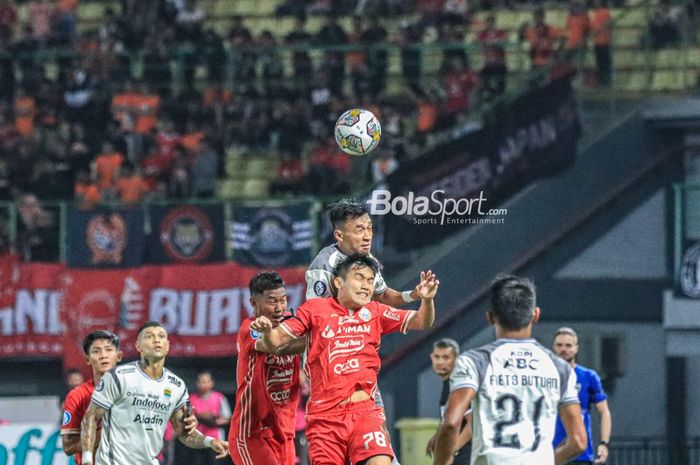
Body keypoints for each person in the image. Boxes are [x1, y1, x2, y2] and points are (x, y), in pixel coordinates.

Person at [253, 254, 439, 465]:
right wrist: (268, 332)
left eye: (370, 280)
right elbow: (275, 341)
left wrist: (427, 300)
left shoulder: (376, 311)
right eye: (359, 278)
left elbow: (422, 321)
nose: (366, 285)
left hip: (365, 412)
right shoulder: (314, 310)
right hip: (325, 418)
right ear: (338, 282)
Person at [433, 275, 587, 465]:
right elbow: (579, 442)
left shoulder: (474, 362)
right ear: (535, 315)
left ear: (490, 317)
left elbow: (450, 424)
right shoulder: (560, 367)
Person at [80, 322, 228, 465]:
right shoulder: (118, 377)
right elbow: (90, 417)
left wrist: (210, 442)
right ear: (138, 346)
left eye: (161, 336)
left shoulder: (176, 385)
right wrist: (87, 460)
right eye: (149, 336)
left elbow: (184, 433)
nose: (157, 340)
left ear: (167, 346)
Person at [60, 330, 198, 465]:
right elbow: (69, 447)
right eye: (96, 351)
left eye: (109, 350)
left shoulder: (141, 390)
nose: (103, 356)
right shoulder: (77, 396)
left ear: (119, 356)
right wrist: (111, 433)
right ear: (87, 359)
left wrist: (187, 424)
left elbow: (167, 422)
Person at [229, 271, 302, 465]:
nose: (279, 308)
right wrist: (320, 337)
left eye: (283, 300)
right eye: (271, 301)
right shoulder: (251, 329)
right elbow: (273, 346)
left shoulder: (291, 323)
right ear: (254, 303)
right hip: (252, 433)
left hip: (285, 433)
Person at [306, 200, 421, 309]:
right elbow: (315, 312)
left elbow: (383, 296)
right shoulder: (323, 265)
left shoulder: (367, 259)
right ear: (340, 236)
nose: (368, 237)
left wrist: (413, 295)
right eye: (360, 230)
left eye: (370, 228)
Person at [552, 327, 612, 465]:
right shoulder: (544, 376)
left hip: (580, 455)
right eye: (559, 345)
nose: (564, 349)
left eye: (568, 345)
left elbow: (604, 412)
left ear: (576, 348)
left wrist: (604, 443)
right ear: (553, 347)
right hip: (549, 453)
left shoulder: (588, 376)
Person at [426, 338, 471, 465]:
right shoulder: (448, 384)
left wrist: (451, 451)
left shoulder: (459, 385)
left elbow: (472, 424)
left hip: (466, 456)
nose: (440, 362)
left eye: (446, 357)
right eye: (437, 357)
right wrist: (438, 437)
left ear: (456, 359)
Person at [188, 371, 232, 465]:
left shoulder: (219, 398)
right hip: (198, 440)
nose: (202, 384)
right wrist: (200, 417)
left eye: (205, 381)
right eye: (200, 381)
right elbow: (186, 417)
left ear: (211, 383)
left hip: (215, 439)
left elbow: (227, 418)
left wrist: (213, 421)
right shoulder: (191, 399)